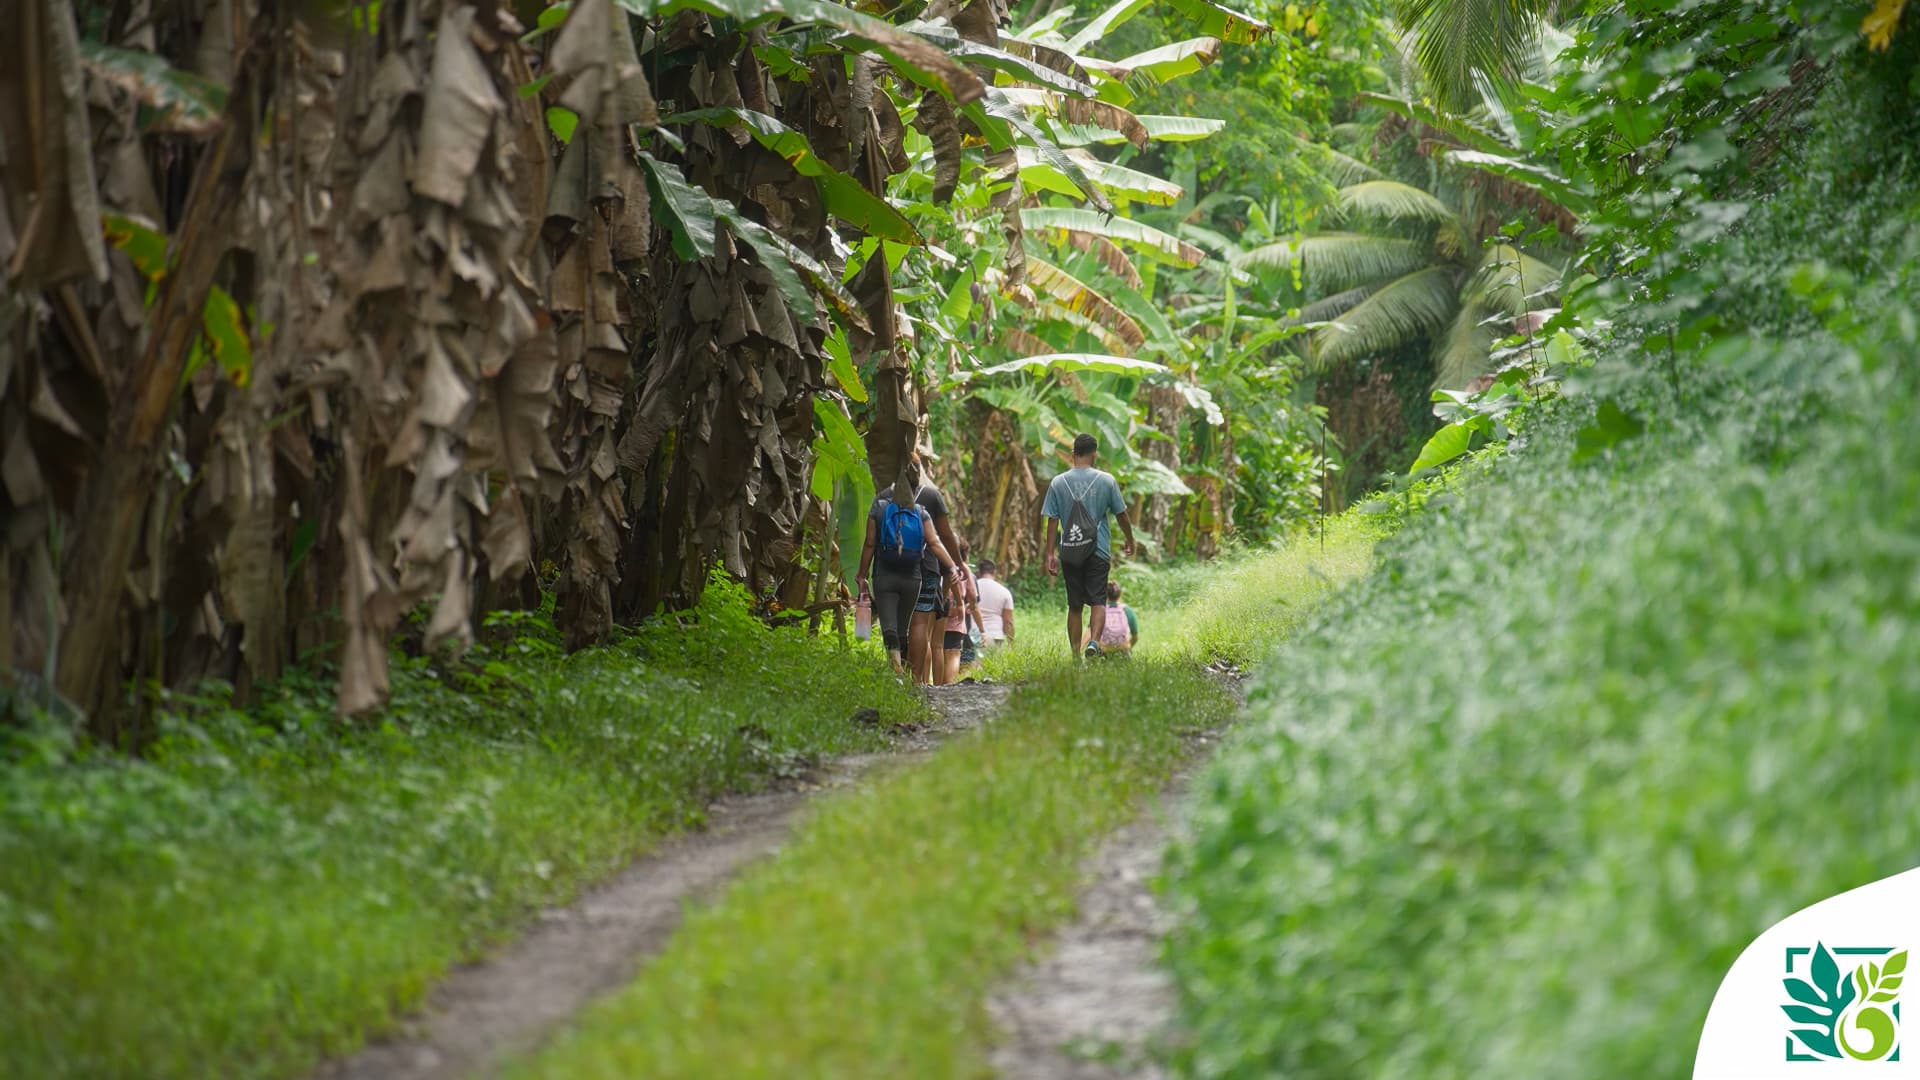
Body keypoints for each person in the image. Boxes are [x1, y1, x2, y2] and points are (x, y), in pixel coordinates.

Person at [856, 457, 964, 678]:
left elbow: (869, 542)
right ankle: (916, 679)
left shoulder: (882, 499)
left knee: (891, 621)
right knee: (917, 625)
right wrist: (955, 566)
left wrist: (862, 573)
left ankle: (896, 668)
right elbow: (940, 537)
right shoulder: (929, 500)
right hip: (920, 570)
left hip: (886, 569)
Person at [1043, 433, 1137, 659]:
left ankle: (1076, 656)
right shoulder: (1106, 481)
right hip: (1099, 550)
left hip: (1070, 550)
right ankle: (1094, 642)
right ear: (1094, 453)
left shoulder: (1058, 482)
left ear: (1073, 453)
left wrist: (1049, 554)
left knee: (1074, 606)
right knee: (1098, 600)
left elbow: (1052, 520)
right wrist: (1130, 539)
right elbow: (1121, 514)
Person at [941, 537, 983, 684]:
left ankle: (936, 685)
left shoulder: (940, 565)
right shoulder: (966, 571)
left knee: (937, 649)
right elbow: (973, 600)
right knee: (953, 653)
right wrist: (982, 630)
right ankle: (949, 686)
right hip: (956, 619)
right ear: (964, 553)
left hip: (937, 614)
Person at [974, 558, 1014, 647]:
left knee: (973, 661)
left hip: (972, 635)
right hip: (995, 636)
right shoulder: (1004, 591)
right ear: (994, 572)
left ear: (979, 572)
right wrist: (1011, 644)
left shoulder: (971, 588)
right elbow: (1008, 621)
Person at [1095, 581, 1138, 656]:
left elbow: (1092, 634)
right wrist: (1127, 647)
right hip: (1123, 652)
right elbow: (1135, 637)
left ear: (1104, 595)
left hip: (1103, 652)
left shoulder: (1100, 611)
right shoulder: (1127, 610)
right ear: (1120, 594)